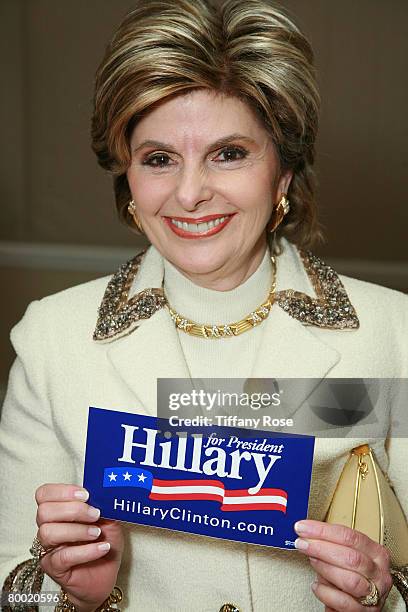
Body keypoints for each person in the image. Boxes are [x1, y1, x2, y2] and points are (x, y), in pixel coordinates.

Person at [0, 0, 407, 610]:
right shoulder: (51, 338)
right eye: (159, 159)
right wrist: (74, 597)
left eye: (229, 153)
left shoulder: (393, 331)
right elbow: (10, 586)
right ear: (129, 181)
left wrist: (386, 595)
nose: (190, 194)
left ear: (284, 176)